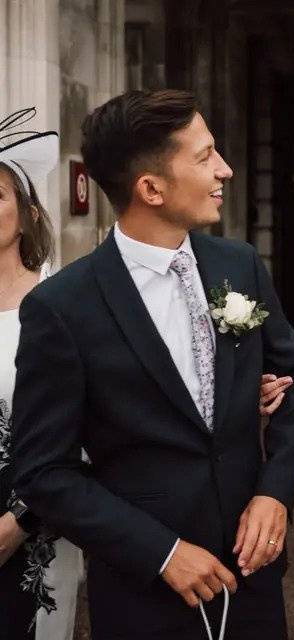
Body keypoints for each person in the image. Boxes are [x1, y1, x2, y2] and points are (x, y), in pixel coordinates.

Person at [10, 90, 294, 639]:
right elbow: (43, 471)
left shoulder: (239, 265)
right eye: (204, 157)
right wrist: (162, 553)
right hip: (142, 592)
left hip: (253, 576)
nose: (223, 169)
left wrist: (276, 493)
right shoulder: (62, 308)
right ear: (150, 188)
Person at [0, 108, 83, 639]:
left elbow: (86, 431)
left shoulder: (63, 304)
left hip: (35, 525)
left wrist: (17, 524)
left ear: (27, 212)